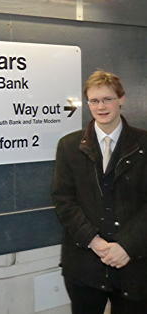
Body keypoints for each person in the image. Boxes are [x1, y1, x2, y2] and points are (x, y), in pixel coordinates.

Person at [52, 70, 147, 314]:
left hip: (134, 263)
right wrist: (94, 242)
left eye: (107, 99)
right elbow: (63, 200)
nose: (100, 106)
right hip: (84, 262)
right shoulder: (69, 146)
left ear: (121, 99)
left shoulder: (144, 144)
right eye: (94, 101)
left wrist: (126, 246)